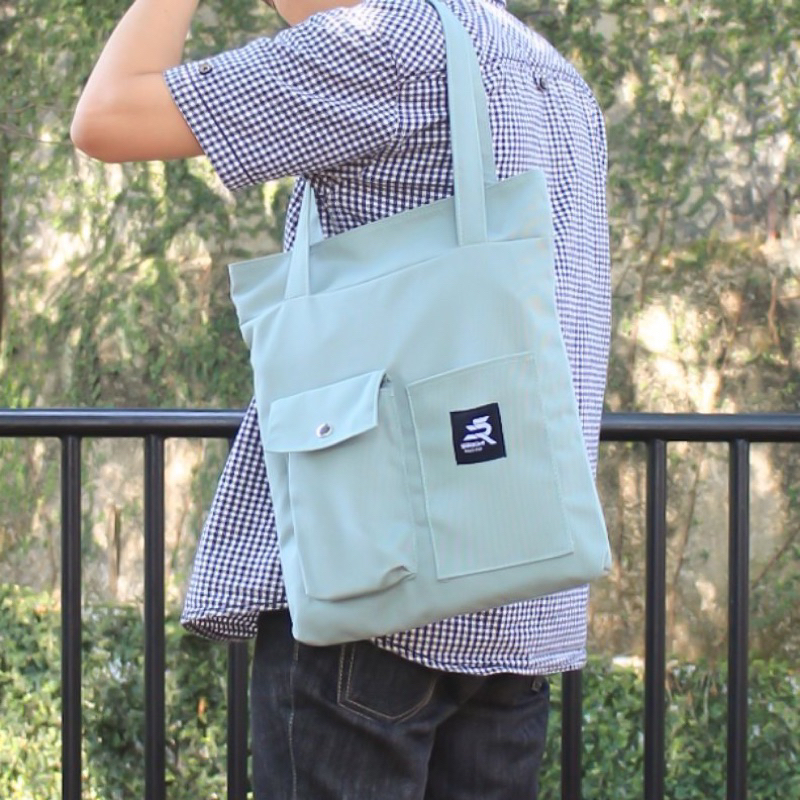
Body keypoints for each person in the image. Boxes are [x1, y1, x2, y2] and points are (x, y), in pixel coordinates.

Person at [72, 0, 610, 797]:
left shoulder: (380, 45)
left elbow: (106, 117)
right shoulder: (550, 72)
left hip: (372, 585)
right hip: (519, 601)